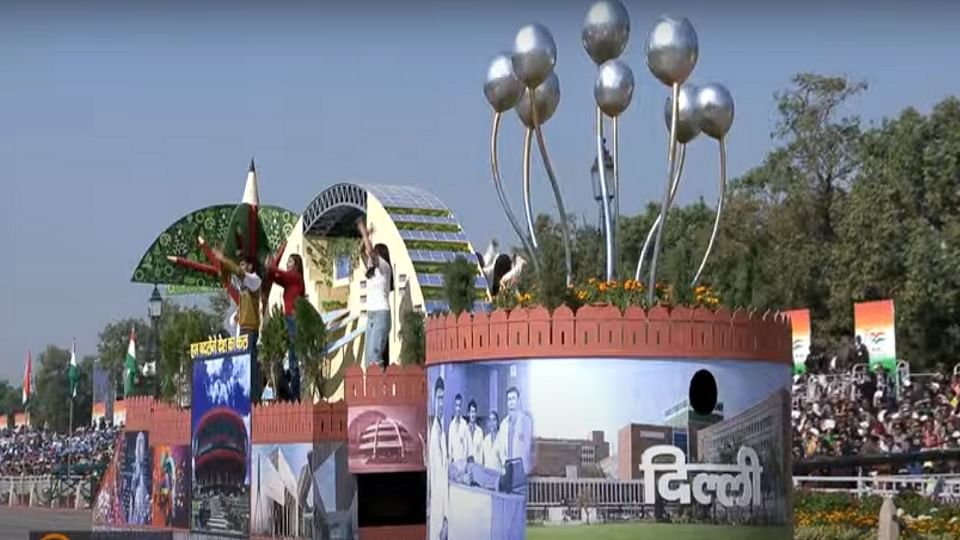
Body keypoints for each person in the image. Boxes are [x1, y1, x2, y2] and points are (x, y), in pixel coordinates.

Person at [214, 249, 263, 404]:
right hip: (242, 329)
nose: (241, 267)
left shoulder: (254, 280)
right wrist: (221, 263)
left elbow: (237, 272)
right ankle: (246, 397)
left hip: (250, 328)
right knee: (243, 364)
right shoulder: (242, 285)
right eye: (240, 264)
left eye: (243, 264)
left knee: (250, 364)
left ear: (250, 266)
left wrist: (224, 258)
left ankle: (254, 400)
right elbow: (226, 278)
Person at [266, 253, 306, 400]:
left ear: (296, 265)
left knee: (293, 361)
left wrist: (272, 267)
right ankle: (289, 394)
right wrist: (269, 270)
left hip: (294, 319)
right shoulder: (289, 280)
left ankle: (296, 397)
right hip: (288, 319)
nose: (288, 264)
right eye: (287, 262)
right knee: (288, 359)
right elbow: (277, 277)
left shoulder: (295, 277)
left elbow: (281, 275)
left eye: (290, 262)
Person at [356, 218, 393, 372]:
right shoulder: (371, 269)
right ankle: (373, 391)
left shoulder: (384, 267)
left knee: (375, 355)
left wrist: (365, 233)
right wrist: (366, 236)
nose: (370, 255)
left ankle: (381, 391)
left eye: (375, 252)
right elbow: (361, 251)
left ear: (380, 254)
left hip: (381, 314)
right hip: (371, 316)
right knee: (368, 360)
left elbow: (369, 251)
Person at [497, 386, 534, 475]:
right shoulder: (503, 424)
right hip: (507, 470)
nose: (511, 402)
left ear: (518, 400)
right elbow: (501, 449)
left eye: (513, 399)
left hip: (522, 470)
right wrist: (504, 464)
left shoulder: (526, 421)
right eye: (509, 399)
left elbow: (527, 449)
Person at [428, 376, 449, 540]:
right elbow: (433, 477)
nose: (441, 404)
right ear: (433, 399)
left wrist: (446, 517)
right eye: (439, 398)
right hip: (435, 505)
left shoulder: (442, 433)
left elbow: (444, 475)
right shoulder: (432, 432)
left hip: (443, 508)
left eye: (444, 399)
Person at [448, 394, 468, 463]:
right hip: (454, 465)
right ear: (454, 406)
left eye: (459, 406)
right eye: (456, 405)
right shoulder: (451, 426)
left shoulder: (465, 425)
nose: (458, 408)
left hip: (463, 463)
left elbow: (466, 448)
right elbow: (450, 450)